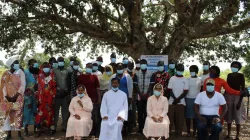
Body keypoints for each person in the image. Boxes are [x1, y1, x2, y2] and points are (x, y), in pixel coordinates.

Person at [0, 57, 25, 140]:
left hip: (18, 99)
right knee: (9, 115)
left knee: (18, 115)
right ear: (12, 65)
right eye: (16, 63)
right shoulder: (5, 74)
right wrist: (6, 96)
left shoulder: (20, 72)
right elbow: (3, 86)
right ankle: (9, 134)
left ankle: (19, 134)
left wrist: (16, 96)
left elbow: (23, 85)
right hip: (8, 99)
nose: (18, 64)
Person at [109, 63, 133, 136]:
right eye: (118, 68)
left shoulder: (127, 76)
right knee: (116, 113)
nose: (120, 69)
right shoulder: (113, 76)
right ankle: (116, 130)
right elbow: (109, 87)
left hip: (125, 98)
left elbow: (130, 88)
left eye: (121, 68)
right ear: (116, 69)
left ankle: (124, 130)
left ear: (123, 68)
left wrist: (130, 98)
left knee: (124, 113)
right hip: (115, 98)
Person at [77, 63, 101, 137]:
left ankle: (93, 132)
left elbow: (97, 89)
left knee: (94, 117)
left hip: (93, 99)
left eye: (91, 67)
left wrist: (99, 98)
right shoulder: (81, 77)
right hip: (83, 100)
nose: (89, 68)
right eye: (88, 67)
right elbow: (78, 89)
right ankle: (85, 132)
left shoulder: (94, 77)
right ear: (86, 67)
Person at [224, 61, 246, 140]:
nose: (234, 67)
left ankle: (237, 136)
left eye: (236, 66)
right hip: (229, 96)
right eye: (233, 66)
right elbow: (227, 87)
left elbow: (243, 89)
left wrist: (240, 101)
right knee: (229, 115)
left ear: (239, 68)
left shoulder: (241, 75)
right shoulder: (229, 75)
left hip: (237, 96)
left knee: (237, 116)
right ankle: (228, 134)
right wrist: (224, 97)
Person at [35, 62, 56, 137]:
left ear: (50, 68)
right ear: (42, 68)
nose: (46, 68)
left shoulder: (52, 76)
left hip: (49, 99)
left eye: (47, 66)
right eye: (44, 67)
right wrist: (37, 99)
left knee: (49, 115)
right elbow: (38, 87)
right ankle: (39, 130)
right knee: (40, 115)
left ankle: (48, 130)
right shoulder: (40, 76)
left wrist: (53, 98)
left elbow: (54, 88)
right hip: (41, 99)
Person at [167, 63, 189, 136]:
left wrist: (178, 99)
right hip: (171, 102)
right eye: (179, 70)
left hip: (181, 102)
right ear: (176, 70)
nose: (180, 71)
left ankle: (178, 132)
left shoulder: (185, 80)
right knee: (170, 118)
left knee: (180, 119)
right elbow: (170, 90)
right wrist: (175, 99)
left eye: (181, 70)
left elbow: (185, 91)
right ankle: (168, 132)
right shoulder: (172, 78)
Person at [135, 59, 153, 134]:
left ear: (146, 64)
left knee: (147, 113)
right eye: (141, 63)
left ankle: (147, 127)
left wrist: (146, 94)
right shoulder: (136, 73)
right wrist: (140, 94)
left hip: (148, 96)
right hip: (139, 97)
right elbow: (135, 85)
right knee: (140, 113)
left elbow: (151, 84)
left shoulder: (151, 73)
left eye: (144, 63)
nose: (143, 65)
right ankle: (140, 128)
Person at [23, 59, 39, 136]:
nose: (36, 65)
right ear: (30, 65)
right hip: (27, 96)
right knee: (27, 113)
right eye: (34, 64)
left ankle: (35, 129)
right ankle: (25, 130)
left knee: (35, 112)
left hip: (36, 96)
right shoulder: (25, 72)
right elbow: (22, 83)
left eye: (36, 64)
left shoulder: (38, 72)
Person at [54, 57, 70, 133]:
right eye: (59, 61)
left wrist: (65, 90)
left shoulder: (67, 71)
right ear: (57, 63)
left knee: (65, 112)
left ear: (64, 62)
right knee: (55, 111)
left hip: (65, 94)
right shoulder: (54, 71)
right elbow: (53, 82)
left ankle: (64, 127)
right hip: (57, 94)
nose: (61, 62)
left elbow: (68, 81)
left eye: (62, 61)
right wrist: (58, 89)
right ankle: (54, 127)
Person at [185, 65, 202, 137]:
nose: (191, 72)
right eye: (190, 70)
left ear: (196, 71)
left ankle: (195, 132)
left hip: (197, 100)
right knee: (188, 117)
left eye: (193, 70)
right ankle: (188, 132)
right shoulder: (187, 79)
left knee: (196, 117)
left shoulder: (200, 79)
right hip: (188, 99)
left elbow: (201, 89)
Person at [126, 60, 139, 133]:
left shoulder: (135, 75)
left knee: (133, 111)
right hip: (125, 95)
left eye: (132, 65)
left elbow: (136, 86)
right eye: (129, 65)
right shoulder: (124, 74)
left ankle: (132, 127)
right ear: (127, 66)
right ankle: (125, 127)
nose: (130, 66)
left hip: (133, 95)